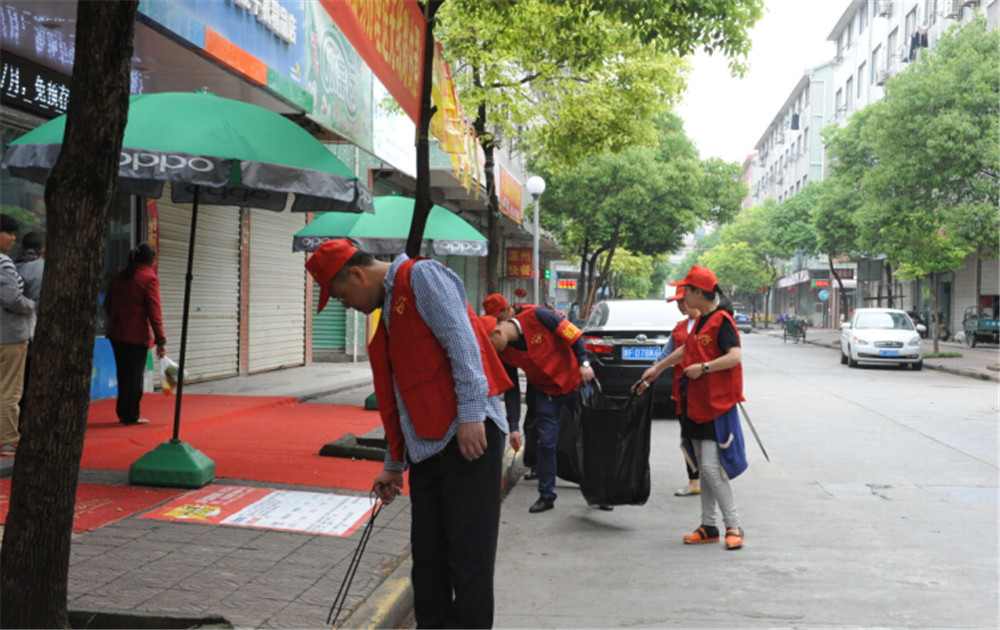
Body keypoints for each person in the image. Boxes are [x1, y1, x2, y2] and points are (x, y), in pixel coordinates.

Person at [305, 238, 511, 629]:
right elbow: (401, 394)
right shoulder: (387, 314)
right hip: (428, 447)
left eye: (341, 295)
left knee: (469, 561)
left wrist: (471, 416)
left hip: (467, 436)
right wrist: (394, 462)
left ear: (357, 274)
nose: (345, 305)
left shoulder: (421, 277)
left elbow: (463, 344)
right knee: (428, 562)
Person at [637, 265, 747, 550]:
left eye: (686, 290)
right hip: (695, 403)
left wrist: (705, 367)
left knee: (710, 468)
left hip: (716, 405)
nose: (682, 295)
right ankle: (708, 526)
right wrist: (658, 368)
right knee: (703, 466)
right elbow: (686, 350)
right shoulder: (700, 322)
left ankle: (734, 525)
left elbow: (735, 356)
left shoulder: (722, 321)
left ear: (699, 293)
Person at [489, 304, 595, 513]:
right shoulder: (504, 353)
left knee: (588, 438)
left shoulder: (539, 316)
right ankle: (546, 495)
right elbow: (511, 389)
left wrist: (584, 363)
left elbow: (573, 335)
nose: (494, 351)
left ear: (498, 332)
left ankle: (599, 490)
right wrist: (513, 426)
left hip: (575, 383)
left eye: (492, 345)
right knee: (545, 443)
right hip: (546, 393)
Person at [104, 243, 167, 426]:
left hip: (117, 333)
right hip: (136, 335)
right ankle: (131, 414)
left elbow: (108, 304)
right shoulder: (149, 279)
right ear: (152, 260)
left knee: (124, 373)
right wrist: (161, 339)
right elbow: (155, 312)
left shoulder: (119, 276)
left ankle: (123, 411)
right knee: (134, 376)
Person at [483, 293, 540, 479]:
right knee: (531, 421)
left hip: (550, 374)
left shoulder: (535, 317)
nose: (497, 326)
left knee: (547, 418)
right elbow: (511, 387)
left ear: (508, 311)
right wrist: (513, 426)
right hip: (533, 376)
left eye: (498, 320)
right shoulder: (502, 344)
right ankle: (535, 464)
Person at [653, 288, 701, 497]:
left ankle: (713, 477)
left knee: (709, 438)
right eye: (678, 303)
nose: (681, 306)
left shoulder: (710, 324)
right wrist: (651, 372)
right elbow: (666, 354)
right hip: (683, 391)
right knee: (687, 435)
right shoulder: (679, 328)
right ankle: (694, 481)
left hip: (706, 391)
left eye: (683, 301)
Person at [0, 214, 34, 456]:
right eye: (8, 233)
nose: (13, 238)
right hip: (9, 335)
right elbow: (12, 298)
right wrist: (30, 305)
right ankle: (8, 440)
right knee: (9, 390)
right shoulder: (4, 263)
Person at [14, 232, 44, 409]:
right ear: (43, 249)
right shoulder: (44, 267)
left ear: (22, 247)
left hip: (16, 329)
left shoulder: (13, 266)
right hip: (36, 327)